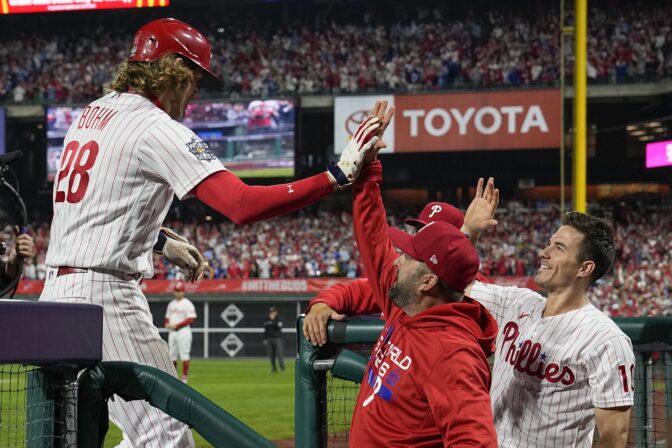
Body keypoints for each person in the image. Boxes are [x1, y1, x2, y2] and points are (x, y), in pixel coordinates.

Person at [38, 18, 381, 447]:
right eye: (195, 77)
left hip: (55, 294)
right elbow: (240, 204)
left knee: (74, 433)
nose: (196, 91)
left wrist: (158, 241)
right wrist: (335, 176)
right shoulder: (156, 126)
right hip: (104, 297)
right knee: (166, 433)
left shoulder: (90, 113)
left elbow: (94, 205)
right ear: (174, 72)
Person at [343, 101, 498, 447]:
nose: (397, 260)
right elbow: (373, 238)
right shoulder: (407, 305)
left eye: (409, 257)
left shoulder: (451, 352)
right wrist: (368, 170)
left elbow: (475, 441)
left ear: (428, 281)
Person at [463, 207, 635, 447]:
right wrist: (469, 231)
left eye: (559, 248)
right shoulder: (517, 301)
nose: (544, 252)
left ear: (584, 268)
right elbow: (458, 284)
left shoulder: (607, 340)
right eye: (550, 243)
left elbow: (614, 436)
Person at [303, 201, 490, 347]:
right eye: (419, 230)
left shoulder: (478, 292)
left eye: (432, 231)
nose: (421, 237)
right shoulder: (401, 277)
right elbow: (349, 292)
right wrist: (321, 305)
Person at [164, 281, 196, 384]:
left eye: (180, 291)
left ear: (183, 292)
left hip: (183, 331)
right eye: (177, 291)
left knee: (184, 354)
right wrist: (168, 324)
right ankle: (174, 376)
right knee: (172, 355)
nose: (178, 293)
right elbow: (167, 318)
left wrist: (177, 325)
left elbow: (191, 318)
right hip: (172, 332)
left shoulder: (187, 303)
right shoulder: (171, 304)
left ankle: (184, 378)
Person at [262, 306, 284, 373]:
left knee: (279, 353)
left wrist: (272, 321)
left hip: (277, 338)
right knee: (271, 354)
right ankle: (273, 368)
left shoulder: (279, 319)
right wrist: (264, 338)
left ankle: (282, 368)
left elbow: (279, 326)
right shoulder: (267, 319)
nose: (272, 313)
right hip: (269, 339)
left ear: (276, 312)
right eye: (271, 312)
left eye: (273, 312)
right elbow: (266, 330)